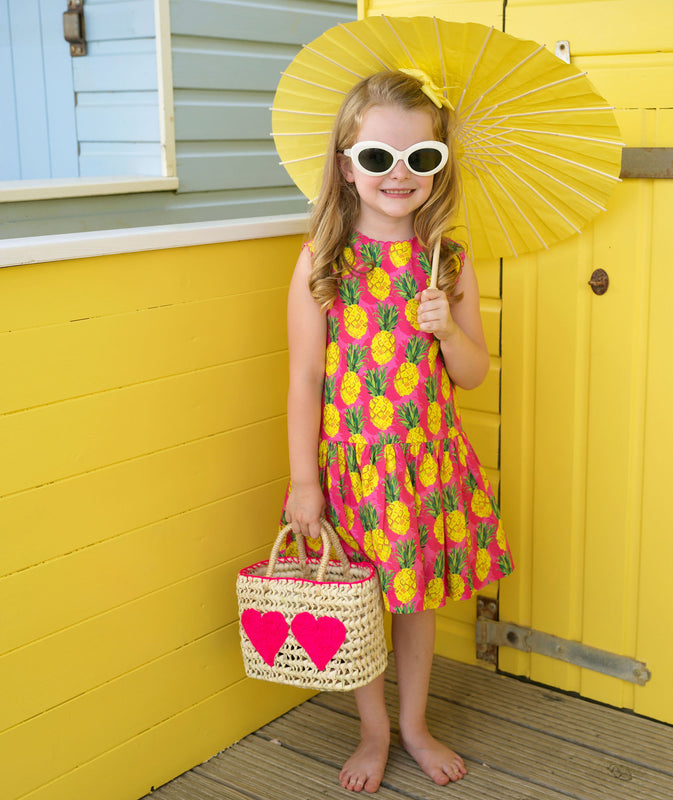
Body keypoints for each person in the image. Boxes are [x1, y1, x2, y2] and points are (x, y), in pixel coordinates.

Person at [282, 69, 513, 793]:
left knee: (415, 605)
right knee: (361, 604)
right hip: (353, 469)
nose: (400, 175)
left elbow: (474, 373)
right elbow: (306, 380)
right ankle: (373, 730)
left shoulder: (448, 262)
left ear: (441, 164)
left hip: (424, 468)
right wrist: (302, 483)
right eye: (379, 159)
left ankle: (413, 724)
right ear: (348, 167)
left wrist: (448, 330)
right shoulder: (323, 259)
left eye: (422, 159)